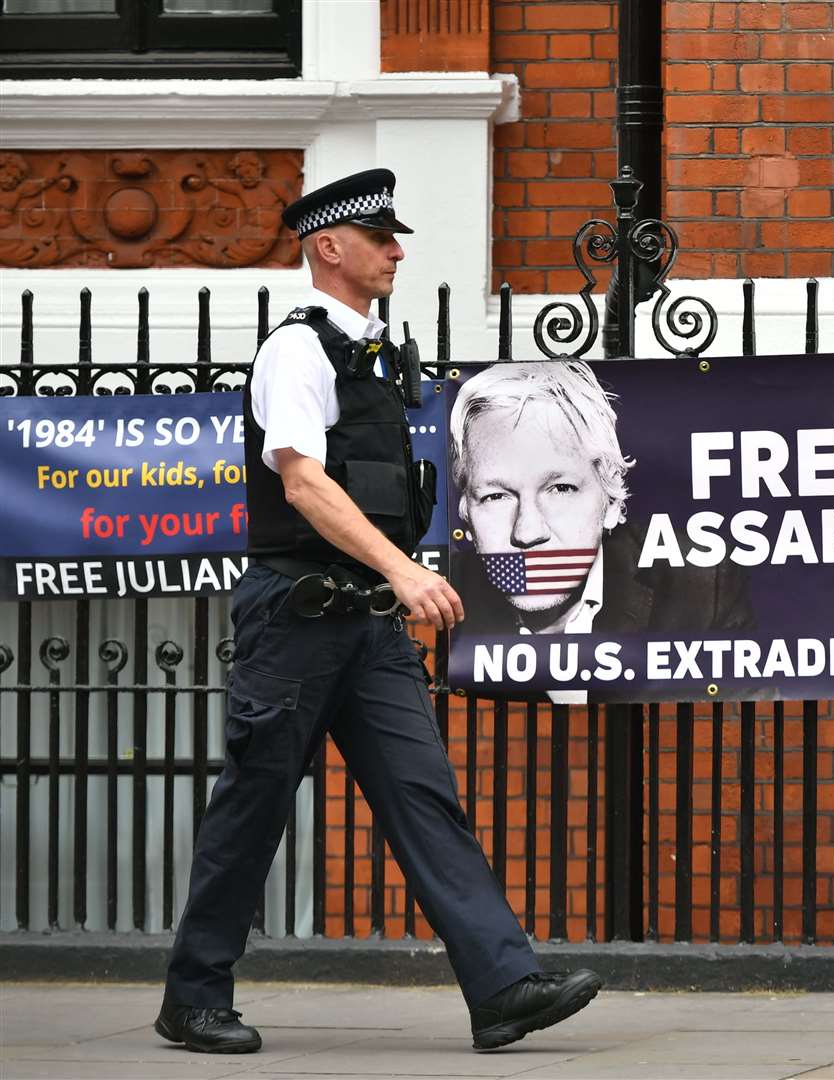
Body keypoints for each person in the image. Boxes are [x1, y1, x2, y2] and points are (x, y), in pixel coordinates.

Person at [157, 169, 600, 1055]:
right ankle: (193, 995)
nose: (397, 250)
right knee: (255, 805)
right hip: (297, 614)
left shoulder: (378, 356)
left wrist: (392, 581)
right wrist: (405, 569)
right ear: (330, 246)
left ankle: (503, 985)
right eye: (379, 237)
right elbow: (303, 482)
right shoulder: (298, 351)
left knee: (424, 797)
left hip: (366, 625)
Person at [448, 362, 753, 701]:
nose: (528, 531)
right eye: (496, 496)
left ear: (610, 503)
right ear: (467, 518)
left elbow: (746, 733)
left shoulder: (699, 586)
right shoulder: (440, 600)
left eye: (560, 488)